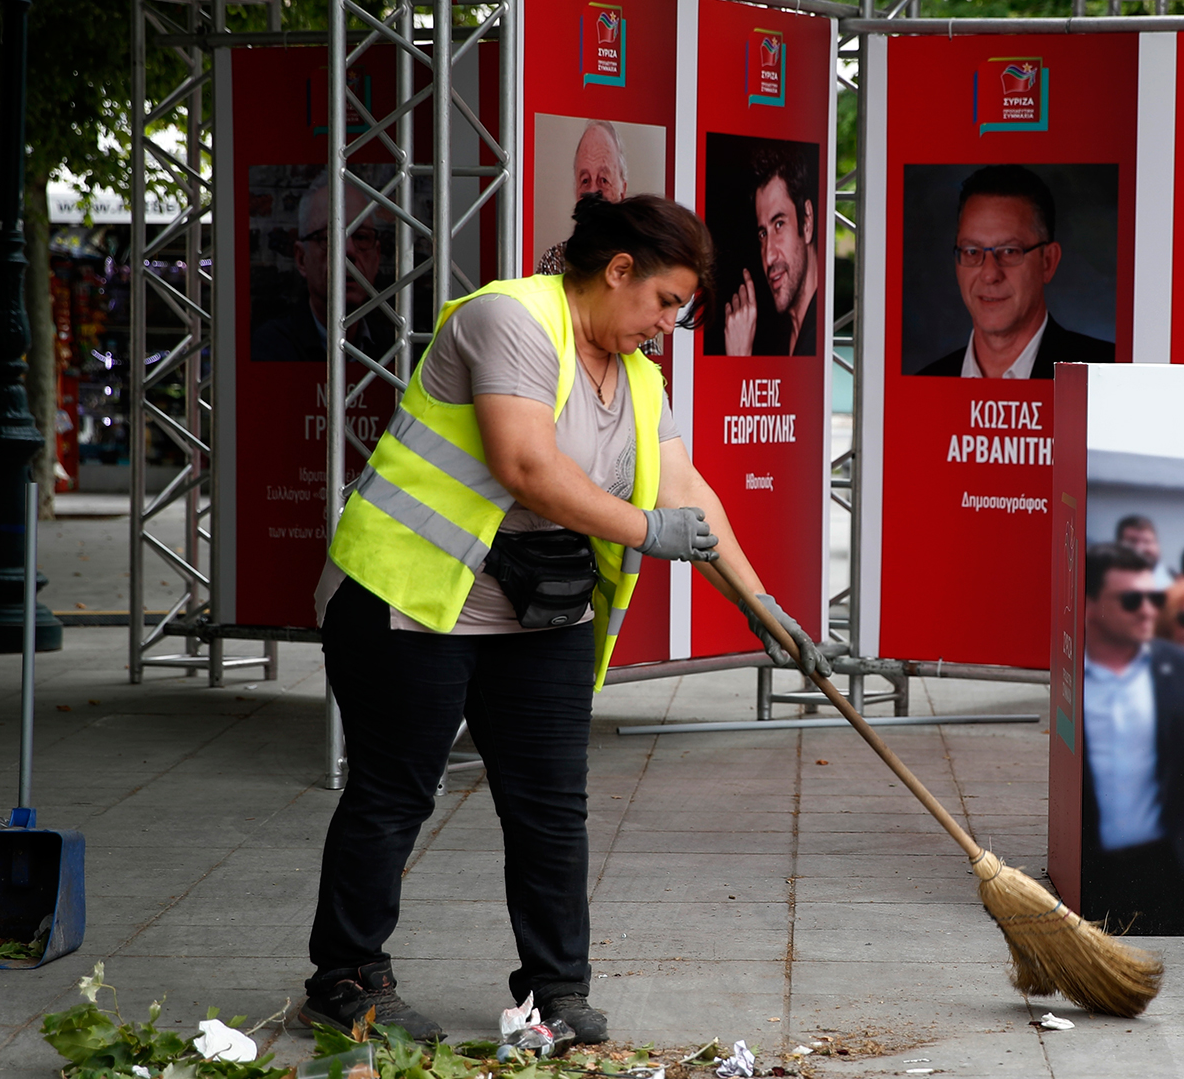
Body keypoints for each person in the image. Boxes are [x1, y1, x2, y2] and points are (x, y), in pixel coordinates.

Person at [301, 195, 829, 1045]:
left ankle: (556, 987)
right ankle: (345, 975)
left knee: (552, 808)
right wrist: (644, 530)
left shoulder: (640, 377)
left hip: (537, 609)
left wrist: (765, 609)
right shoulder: (508, 319)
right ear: (618, 270)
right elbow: (525, 464)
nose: (666, 326)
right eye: (663, 301)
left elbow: (688, 494)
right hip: (411, 599)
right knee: (393, 797)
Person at [1080, 543, 1184, 935]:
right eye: (1132, 600)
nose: (1148, 610)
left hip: (1167, 863)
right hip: (1092, 864)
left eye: (1153, 597)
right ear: (1089, 605)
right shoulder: (1073, 676)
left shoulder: (1181, 667)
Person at [913, 165, 1115, 378]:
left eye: (1009, 251)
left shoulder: (1106, 376)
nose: (990, 275)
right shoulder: (923, 388)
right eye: (972, 251)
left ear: (1048, 262)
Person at [252, 177, 394, 364]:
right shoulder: (269, 350)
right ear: (302, 259)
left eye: (361, 237)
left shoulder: (396, 351)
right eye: (330, 238)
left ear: (377, 258)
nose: (348, 251)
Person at [720, 142, 819, 357]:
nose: (769, 255)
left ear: (807, 222)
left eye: (779, 224)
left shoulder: (822, 338)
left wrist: (739, 357)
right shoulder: (782, 338)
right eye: (763, 234)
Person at [535, 121, 628, 275]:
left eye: (603, 180)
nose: (592, 190)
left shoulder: (642, 260)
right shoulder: (555, 262)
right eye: (585, 180)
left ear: (622, 191)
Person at [1114, 514, 1172, 589]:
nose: (1140, 548)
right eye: (1132, 541)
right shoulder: (1108, 584)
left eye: (1147, 542)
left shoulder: (1175, 583)